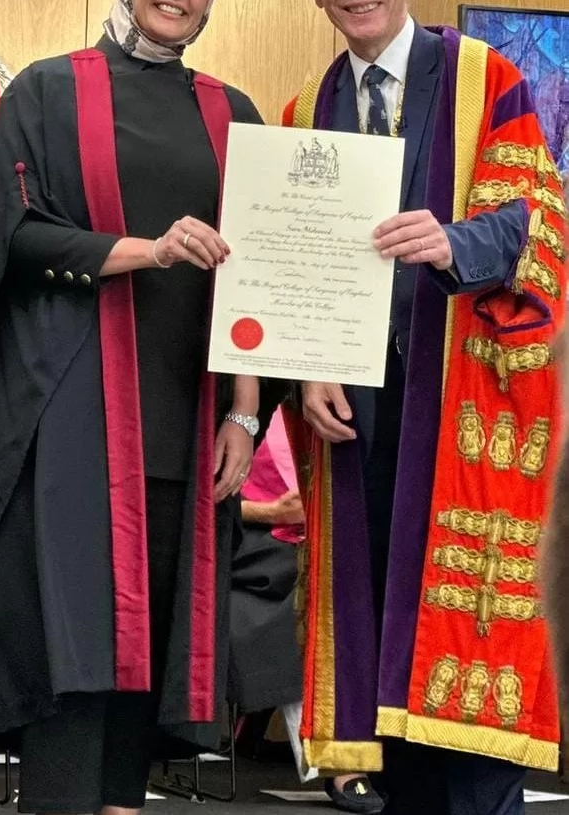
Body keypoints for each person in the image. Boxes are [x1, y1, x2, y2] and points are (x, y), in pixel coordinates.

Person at [0, 1, 271, 812]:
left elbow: (260, 274)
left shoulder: (235, 112)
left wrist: (244, 410)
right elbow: (14, 237)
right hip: (72, 413)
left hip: (189, 416)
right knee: (75, 641)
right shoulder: (46, 91)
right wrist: (147, 251)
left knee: (151, 643)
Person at [284, 2, 566, 813]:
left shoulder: (487, 79)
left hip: (463, 413)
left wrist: (454, 242)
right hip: (357, 430)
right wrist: (306, 369)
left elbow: (538, 222)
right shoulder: (304, 115)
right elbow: (291, 272)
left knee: (467, 706)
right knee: (386, 674)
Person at [231, 407, 382, 814]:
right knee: (310, 592)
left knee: (350, 579)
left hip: (318, 539)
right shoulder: (243, 402)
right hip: (249, 545)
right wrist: (271, 512)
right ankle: (338, 760)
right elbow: (198, 498)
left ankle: (373, 746)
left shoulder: (345, 411)